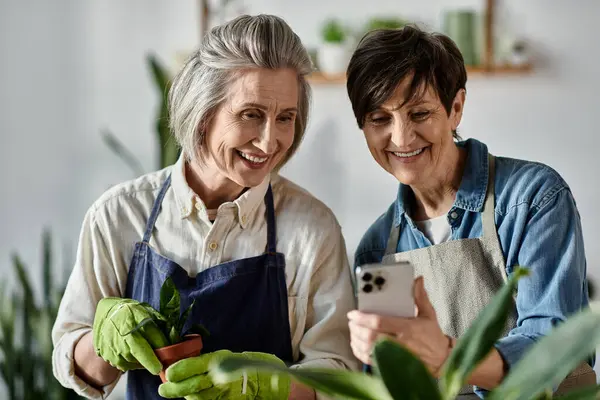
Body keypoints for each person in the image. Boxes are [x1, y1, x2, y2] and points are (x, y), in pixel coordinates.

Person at [52, 14, 357, 400]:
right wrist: (106, 342)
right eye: (251, 114)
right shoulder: (118, 216)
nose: (268, 141)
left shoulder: (312, 228)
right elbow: (75, 366)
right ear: (203, 111)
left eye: (285, 118)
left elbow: (339, 374)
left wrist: (266, 387)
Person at [345, 25, 594, 398]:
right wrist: (374, 355)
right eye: (380, 119)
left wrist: (448, 359)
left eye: (420, 113)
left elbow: (553, 349)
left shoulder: (533, 199)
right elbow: (393, 381)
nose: (401, 138)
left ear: (456, 108)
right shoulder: (378, 247)